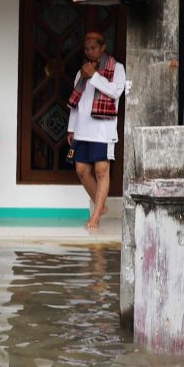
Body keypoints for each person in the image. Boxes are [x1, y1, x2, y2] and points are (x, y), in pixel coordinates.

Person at [66, 31, 127, 230]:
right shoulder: (81, 71)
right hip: (82, 129)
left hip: (103, 130)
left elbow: (115, 91)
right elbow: (76, 101)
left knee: (101, 171)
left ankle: (96, 217)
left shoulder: (117, 68)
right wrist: (71, 128)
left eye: (93, 48)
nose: (89, 52)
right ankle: (102, 207)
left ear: (103, 48)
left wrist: (94, 76)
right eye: (86, 48)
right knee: (82, 171)